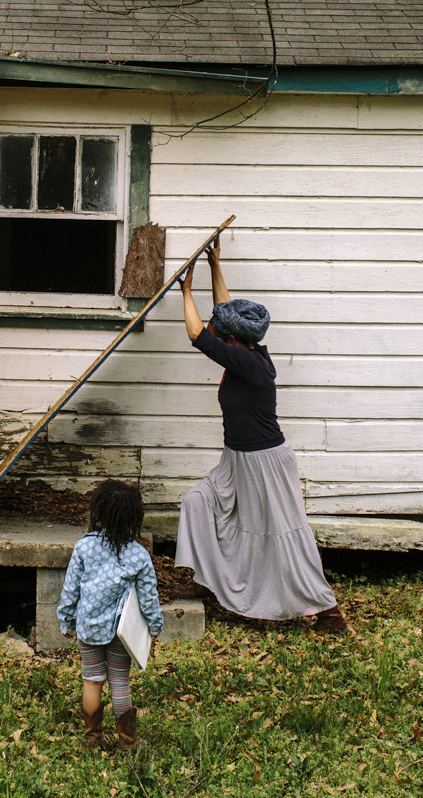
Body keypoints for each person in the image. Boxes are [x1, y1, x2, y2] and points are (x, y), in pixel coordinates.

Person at [175, 235, 348, 632]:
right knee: (198, 502)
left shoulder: (248, 363)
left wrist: (185, 291)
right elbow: (226, 313)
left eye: (224, 333)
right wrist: (215, 265)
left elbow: (197, 334)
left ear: (233, 341)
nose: (219, 333)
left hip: (265, 461)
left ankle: (328, 611)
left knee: (286, 535)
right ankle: (207, 579)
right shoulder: (248, 350)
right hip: (236, 459)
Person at [57, 479, 164, 750]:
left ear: (99, 513)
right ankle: (127, 743)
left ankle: (92, 740)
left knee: (92, 680)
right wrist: (154, 627)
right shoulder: (139, 555)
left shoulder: (84, 547)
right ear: (133, 518)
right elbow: (150, 598)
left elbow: (71, 588)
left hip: (90, 629)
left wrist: (66, 618)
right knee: (119, 682)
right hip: (121, 633)